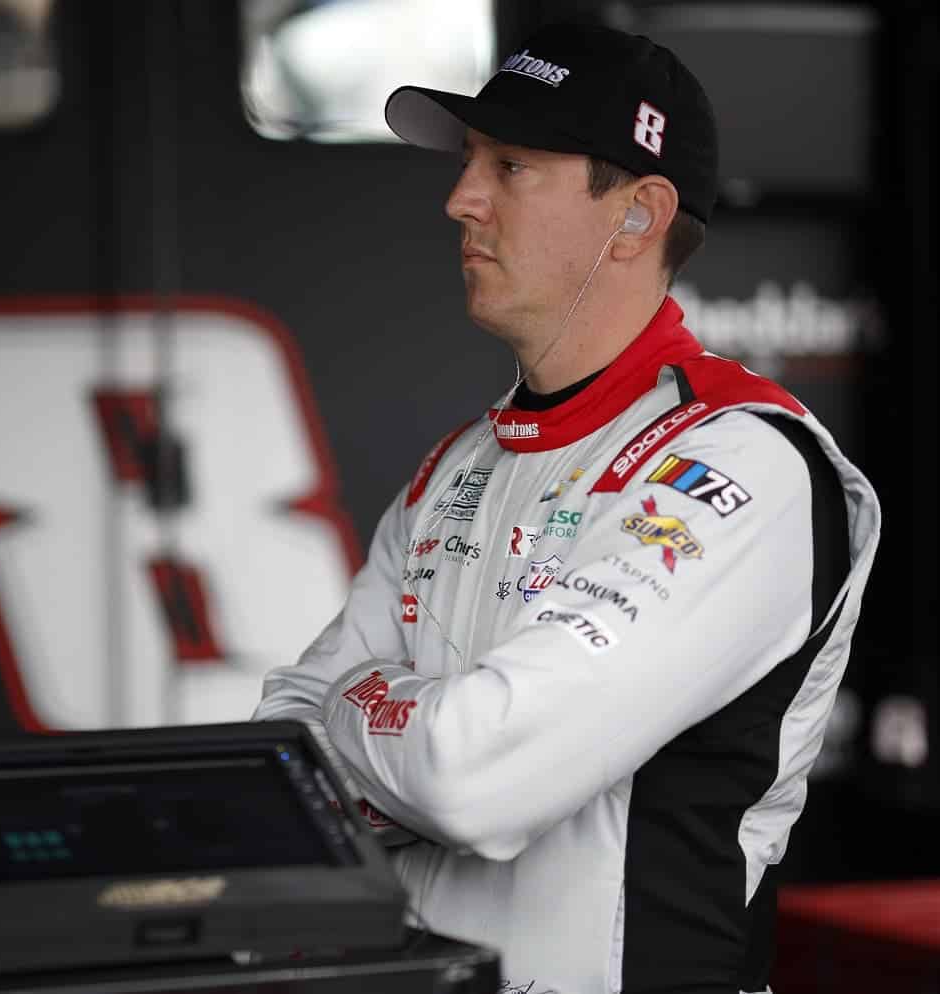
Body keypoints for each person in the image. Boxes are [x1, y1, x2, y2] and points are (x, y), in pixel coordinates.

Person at [253, 22, 881, 994]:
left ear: (637, 215)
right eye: (470, 162)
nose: (461, 200)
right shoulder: (455, 467)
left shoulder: (742, 461)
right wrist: (419, 737)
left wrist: (369, 721)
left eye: (510, 166)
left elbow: (475, 778)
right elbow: (283, 747)